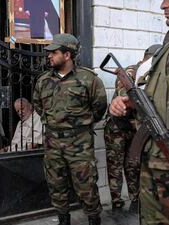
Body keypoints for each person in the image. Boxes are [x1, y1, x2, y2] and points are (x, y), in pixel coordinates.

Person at [109, 0, 169, 224]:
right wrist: (128, 106)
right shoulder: (168, 46)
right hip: (152, 183)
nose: (162, 4)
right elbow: (159, 100)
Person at [33, 33, 107, 225]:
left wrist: (79, 126)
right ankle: (63, 220)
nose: (49, 56)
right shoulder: (43, 81)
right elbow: (38, 106)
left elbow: (99, 108)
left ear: (67, 55)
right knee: (56, 184)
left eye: (54, 52)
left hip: (79, 144)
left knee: (86, 185)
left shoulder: (89, 79)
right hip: (52, 143)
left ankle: (93, 219)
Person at [103, 44, 161, 212]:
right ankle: (117, 202)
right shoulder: (131, 71)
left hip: (134, 129)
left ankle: (135, 199)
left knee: (133, 164)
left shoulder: (154, 74)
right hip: (116, 128)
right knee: (115, 165)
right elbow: (124, 94)